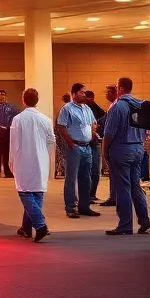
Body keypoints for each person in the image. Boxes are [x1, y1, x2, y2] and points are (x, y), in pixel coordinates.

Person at [102, 76, 150, 236]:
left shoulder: (117, 107)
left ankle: (125, 225)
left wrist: (104, 152)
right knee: (135, 185)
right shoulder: (140, 105)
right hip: (138, 149)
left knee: (123, 187)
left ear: (121, 88)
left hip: (121, 150)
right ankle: (144, 220)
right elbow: (147, 130)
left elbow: (109, 133)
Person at [9, 88, 55, 242]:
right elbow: (51, 141)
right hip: (41, 160)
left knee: (25, 192)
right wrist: (46, 155)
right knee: (37, 192)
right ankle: (26, 228)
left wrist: (11, 161)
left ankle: (40, 225)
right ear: (37, 100)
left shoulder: (18, 119)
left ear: (23, 100)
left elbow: (14, 143)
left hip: (23, 160)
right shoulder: (46, 119)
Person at [56, 83, 101, 219]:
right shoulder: (67, 109)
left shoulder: (87, 108)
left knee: (86, 177)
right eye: (81, 92)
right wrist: (70, 143)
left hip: (87, 147)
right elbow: (61, 126)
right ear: (74, 94)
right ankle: (70, 207)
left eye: (84, 92)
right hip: (74, 147)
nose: (84, 94)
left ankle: (84, 206)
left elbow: (93, 123)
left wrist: (92, 132)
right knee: (71, 178)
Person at [83, 90, 107, 206]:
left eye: (92, 99)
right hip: (85, 142)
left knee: (96, 169)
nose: (90, 101)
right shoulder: (81, 110)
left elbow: (103, 122)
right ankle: (85, 195)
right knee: (86, 169)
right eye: (88, 98)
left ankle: (92, 194)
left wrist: (98, 132)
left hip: (95, 141)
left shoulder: (97, 109)